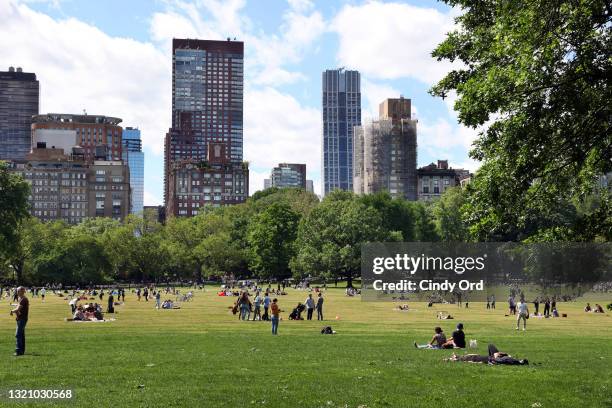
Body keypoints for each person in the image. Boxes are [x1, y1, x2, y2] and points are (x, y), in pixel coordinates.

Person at [10, 287, 29, 356]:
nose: (17, 292)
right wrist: (14, 305)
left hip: (22, 319)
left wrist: (12, 311)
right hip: (20, 318)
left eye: (18, 291)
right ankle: (22, 351)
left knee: (18, 335)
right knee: (21, 335)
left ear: (22, 291)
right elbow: (18, 305)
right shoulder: (21, 299)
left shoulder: (24, 299)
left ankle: (18, 351)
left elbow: (18, 309)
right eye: (17, 291)